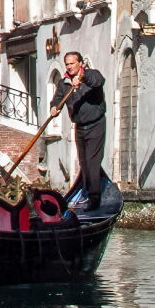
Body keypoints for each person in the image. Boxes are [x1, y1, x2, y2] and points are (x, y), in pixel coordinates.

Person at [51, 50, 108, 207]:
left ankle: (94, 199)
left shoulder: (92, 75)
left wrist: (82, 78)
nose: (69, 66)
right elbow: (57, 100)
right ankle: (87, 192)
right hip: (79, 127)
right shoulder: (64, 83)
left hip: (96, 124)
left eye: (72, 63)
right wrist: (54, 108)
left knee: (91, 161)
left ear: (80, 63)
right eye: (67, 64)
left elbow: (99, 81)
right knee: (83, 162)